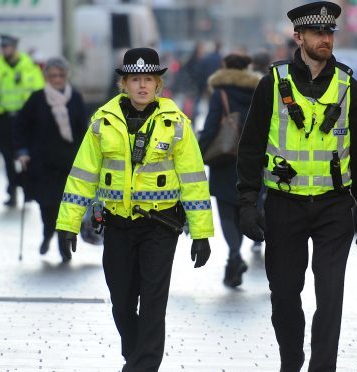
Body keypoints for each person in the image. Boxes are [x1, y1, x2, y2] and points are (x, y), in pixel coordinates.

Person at [236, 2, 357, 371]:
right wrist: (247, 201)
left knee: (330, 296)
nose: (325, 39)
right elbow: (251, 145)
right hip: (285, 205)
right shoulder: (273, 83)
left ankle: (322, 366)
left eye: (330, 33)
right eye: (318, 33)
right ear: (299, 37)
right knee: (284, 295)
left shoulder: (349, 87)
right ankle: (291, 359)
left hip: (335, 207)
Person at [55, 47, 214, 371]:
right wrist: (67, 225)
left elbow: (194, 181)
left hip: (160, 225)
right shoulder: (102, 123)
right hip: (117, 225)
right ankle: (136, 354)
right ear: (124, 84)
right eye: (135, 79)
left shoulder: (177, 124)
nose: (142, 86)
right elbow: (82, 177)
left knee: (154, 303)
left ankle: (142, 366)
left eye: (149, 80)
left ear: (158, 85)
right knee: (123, 304)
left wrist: (201, 233)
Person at [198, 54, 260, 288]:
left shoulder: (220, 93)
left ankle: (234, 255)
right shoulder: (258, 91)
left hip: (224, 160)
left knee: (225, 211)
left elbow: (212, 127)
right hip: (252, 160)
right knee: (243, 208)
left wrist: (198, 153)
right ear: (248, 67)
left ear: (224, 67)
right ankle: (235, 255)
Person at [14, 57, 87, 256]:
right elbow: (21, 127)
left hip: (69, 164)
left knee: (68, 206)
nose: (57, 79)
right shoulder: (36, 99)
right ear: (47, 77)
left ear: (66, 76)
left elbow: (85, 131)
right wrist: (22, 152)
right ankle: (47, 233)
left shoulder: (76, 99)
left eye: (61, 75)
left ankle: (64, 243)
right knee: (47, 206)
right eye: (53, 75)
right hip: (43, 164)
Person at [0, 34, 45, 207]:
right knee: (7, 157)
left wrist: (39, 114)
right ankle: (12, 191)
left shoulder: (29, 66)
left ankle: (27, 190)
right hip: (4, 118)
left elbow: (38, 92)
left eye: (7, 47)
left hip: (24, 120)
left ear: (15, 47)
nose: (5, 50)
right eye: (3, 47)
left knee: (25, 156)